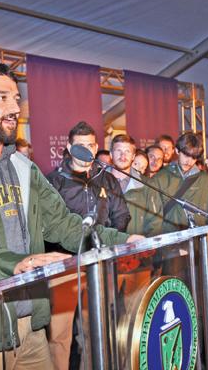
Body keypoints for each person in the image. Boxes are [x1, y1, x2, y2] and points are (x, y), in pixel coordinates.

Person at [0, 62, 140, 368]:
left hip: (29, 328)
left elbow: (62, 223)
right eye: (2, 97)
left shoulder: (23, 167)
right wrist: (15, 263)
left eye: (17, 98)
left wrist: (122, 240)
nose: (15, 107)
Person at [47, 122, 130, 370]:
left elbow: (122, 216)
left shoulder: (107, 179)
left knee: (95, 330)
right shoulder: (54, 182)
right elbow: (49, 225)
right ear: (68, 148)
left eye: (91, 145)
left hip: (99, 265)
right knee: (59, 336)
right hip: (63, 266)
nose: (87, 150)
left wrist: (108, 242)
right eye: (81, 146)